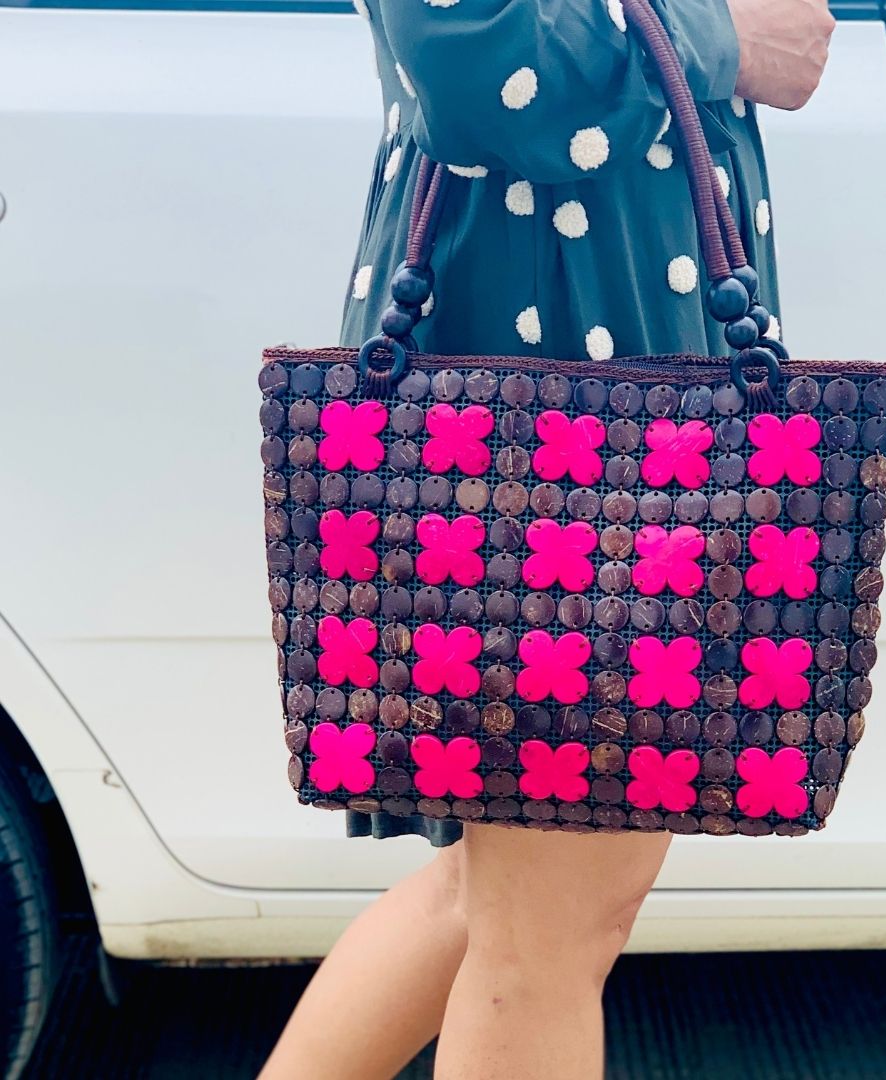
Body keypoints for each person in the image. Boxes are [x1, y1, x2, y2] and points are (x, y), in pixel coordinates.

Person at [259, 0, 834, 1076]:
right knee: (548, 938)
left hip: (584, 372)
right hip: (560, 386)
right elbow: (474, 59)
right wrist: (724, 39)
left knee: (502, 904)